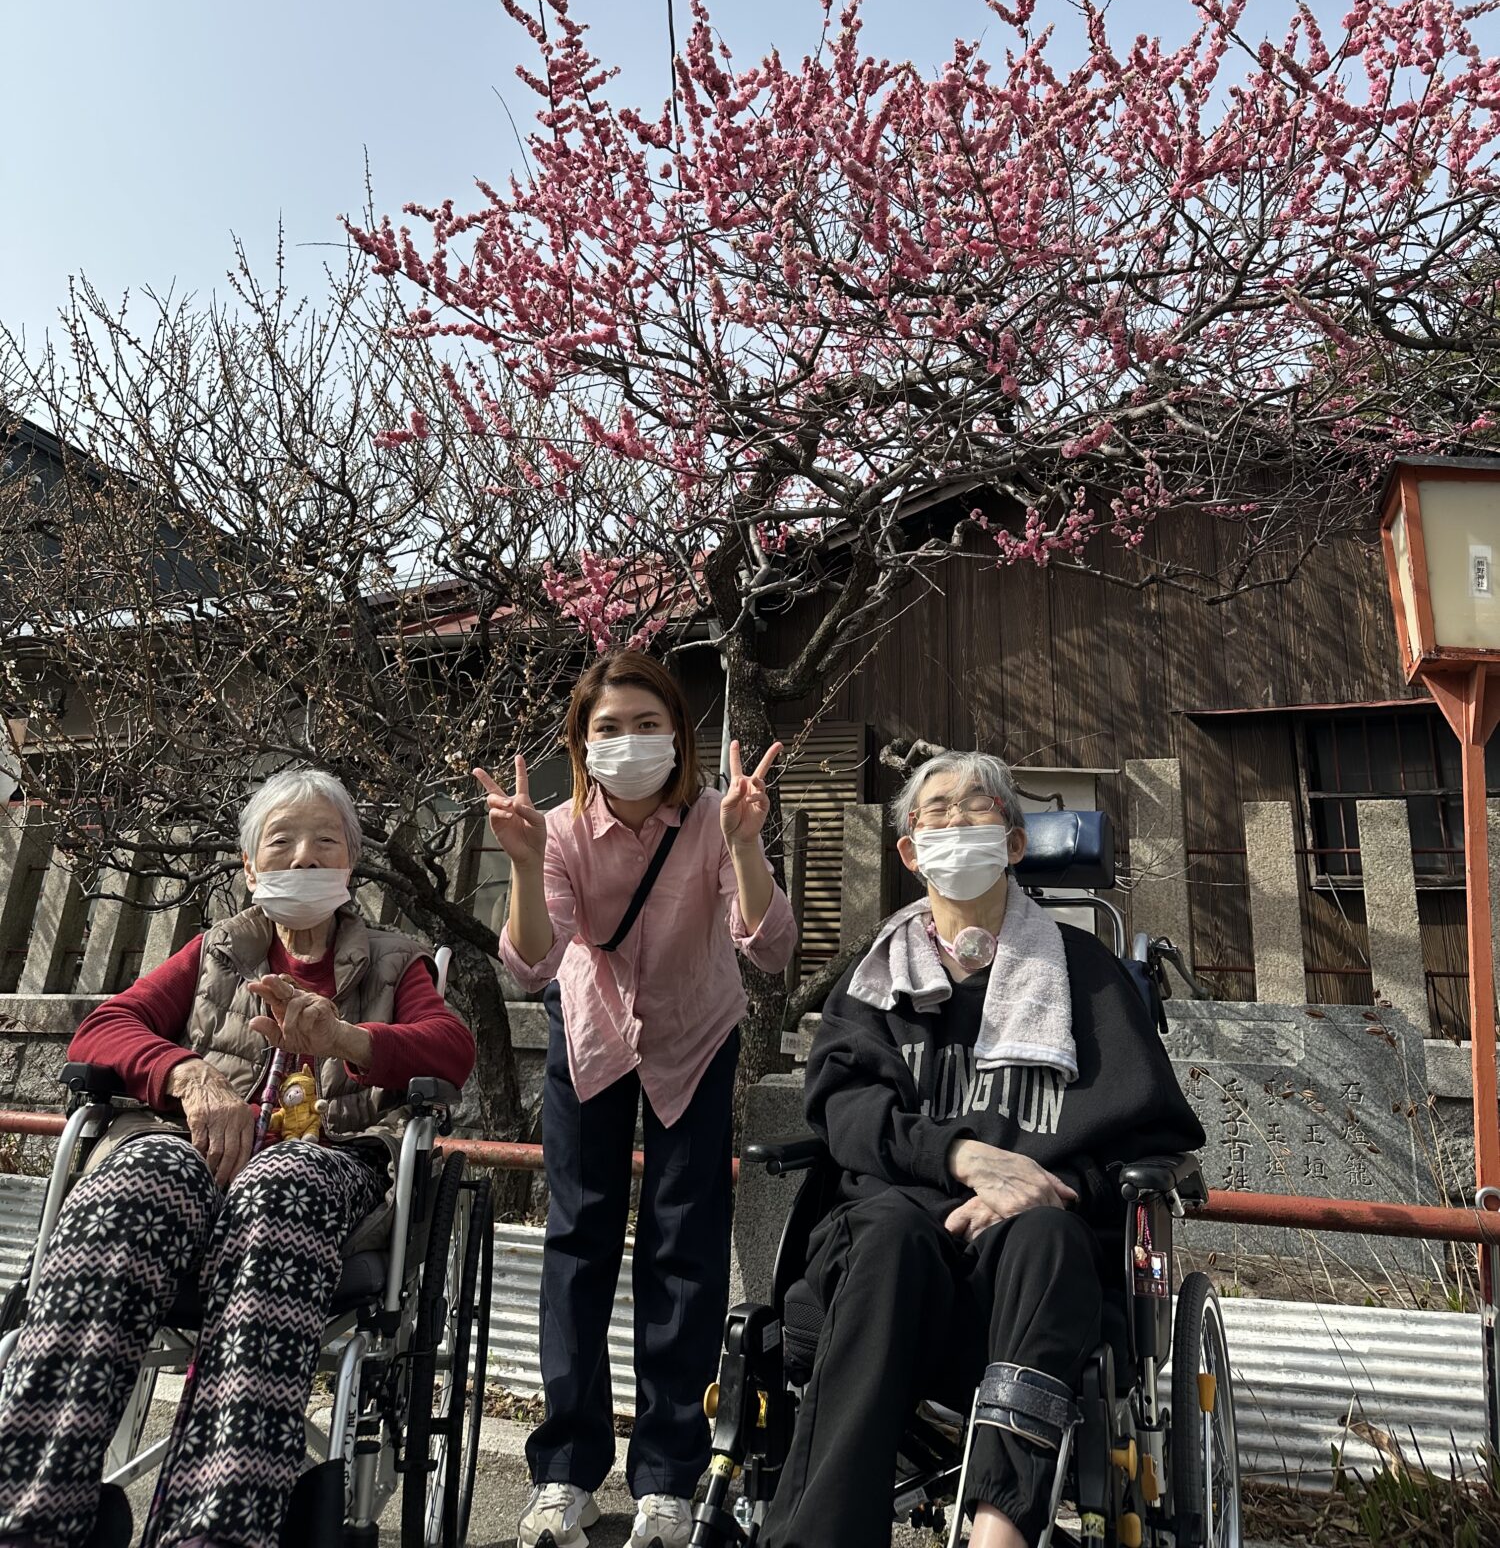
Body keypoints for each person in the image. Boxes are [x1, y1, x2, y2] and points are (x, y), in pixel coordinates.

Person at [0, 766, 475, 1548]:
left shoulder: (397, 961)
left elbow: (451, 1051)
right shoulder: (216, 951)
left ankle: (219, 1526)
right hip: (191, 1160)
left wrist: (346, 1040)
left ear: (350, 866)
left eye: (325, 844)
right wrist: (187, 1076)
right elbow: (102, 1030)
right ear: (250, 867)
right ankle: (31, 1514)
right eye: (280, 845)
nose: (303, 860)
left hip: (318, 1173)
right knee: (139, 1180)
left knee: (280, 1181)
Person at [759, 751, 1204, 1548]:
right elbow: (847, 1111)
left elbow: (1154, 1143)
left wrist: (1056, 1189)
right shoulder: (873, 983)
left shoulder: (1089, 978)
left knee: (1043, 1236)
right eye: (936, 812)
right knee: (889, 1232)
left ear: (1014, 843)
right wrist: (959, 1157)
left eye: (979, 810)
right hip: (893, 1268)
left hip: (1029, 1276)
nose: (957, 825)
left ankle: (1001, 1527)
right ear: (907, 850)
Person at [478, 651, 797, 1548]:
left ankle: (669, 1473)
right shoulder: (559, 828)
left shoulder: (713, 818)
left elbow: (768, 946)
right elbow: (535, 961)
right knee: (577, 1242)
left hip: (694, 1039)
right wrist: (523, 863)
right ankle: (565, 1472)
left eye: (646, 724)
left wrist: (744, 843)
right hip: (591, 1041)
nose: (627, 742)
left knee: (685, 1247)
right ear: (580, 745)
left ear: (678, 737)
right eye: (606, 728)